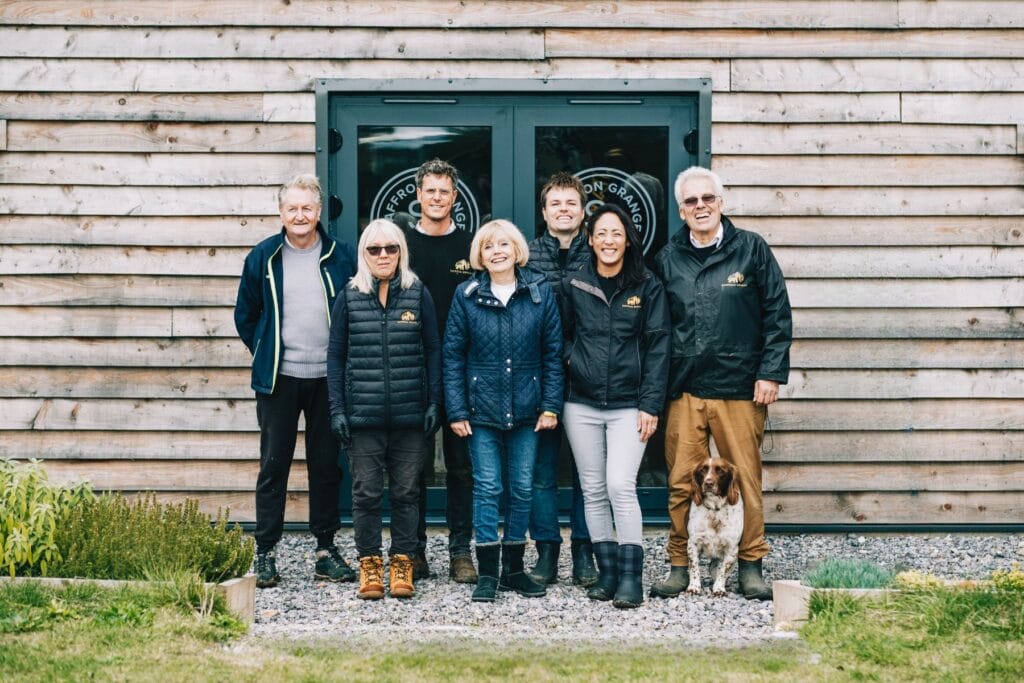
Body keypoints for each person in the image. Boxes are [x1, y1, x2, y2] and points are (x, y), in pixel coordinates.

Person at [650, 167, 792, 601]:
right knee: (681, 482)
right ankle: (679, 564)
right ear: (681, 209)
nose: (700, 207)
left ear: (722, 203)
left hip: (739, 386)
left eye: (707, 198)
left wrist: (771, 371)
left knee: (743, 479)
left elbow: (776, 313)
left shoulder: (751, 250)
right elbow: (656, 326)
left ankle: (751, 564)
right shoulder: (667, 257)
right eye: (691, 201)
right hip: (684, 388)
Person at [234, 173, 357, 588]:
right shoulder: (263, 257)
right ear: (281, 213)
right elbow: (245, 315)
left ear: (319, 212)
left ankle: (325, 549)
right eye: (292, 208)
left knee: (326, 467)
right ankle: (265, 551)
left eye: (307, 208)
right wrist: (267, 350)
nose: (300, 215)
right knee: (274, 467)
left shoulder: (344, 256)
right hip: (278, 381)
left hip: (329, 381)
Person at [443, 220, 563, 602]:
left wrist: (550, 405)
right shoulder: (467, 295)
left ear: (516, 250)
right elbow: (452, 357)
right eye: (489, 246)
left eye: (504, 244)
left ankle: (513, 569)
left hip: (529, 410)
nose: (497, 251)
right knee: (488, 487)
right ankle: (488, 574)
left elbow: (553, 355)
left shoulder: (540, 292)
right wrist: (457, 409)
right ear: (480, 254)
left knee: (522, 488)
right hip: (481, 412)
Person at [560, 203, 670, 609]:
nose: (608, 241)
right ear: (590, 240)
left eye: (616, 234)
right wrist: (574, 360)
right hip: (581, 403)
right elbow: (564, 335)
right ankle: (606, 573)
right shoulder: (575, 283)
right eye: (601, 233)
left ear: (628, 240)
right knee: (591, 489)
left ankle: (630, 577)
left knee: (620, 485)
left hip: (629, 404)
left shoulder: (647, 286)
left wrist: (651, 404)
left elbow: (659, 348)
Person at [326, 219, 442, 600]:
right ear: (364, 254)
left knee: (408, 493)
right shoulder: (348, 295)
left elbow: (432, 350)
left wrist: (433, 402)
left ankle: (403, 565)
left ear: (400, 252)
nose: (383, 255)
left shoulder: (417, 292)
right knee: (366, 494)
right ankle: (370, 566)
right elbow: (336, 356)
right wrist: (337, 408)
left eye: (390, 248)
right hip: (364, 418)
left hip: (409, 417)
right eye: (374, 249)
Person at [401, 158, 477, 584]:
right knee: (412, 467)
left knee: (461, 468)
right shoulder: (401, 249)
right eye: (430, 190)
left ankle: (460, 551)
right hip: (412, 371)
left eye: (444, 191)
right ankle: (413, 551)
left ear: (454, 197)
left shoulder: (470, 249)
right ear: (418, 194)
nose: (436, 198)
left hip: (461, 373)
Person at [524, 171, 597, 587]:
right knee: (541, 473)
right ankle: (547, 551)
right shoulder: (527, 257)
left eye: (571, 202)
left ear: (582, 210)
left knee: (588, 472)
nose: (564, 210)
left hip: (590, 378)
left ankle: (584, 551)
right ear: (544, 211)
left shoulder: (602, 251)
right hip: (540, 379)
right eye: (556, 203)